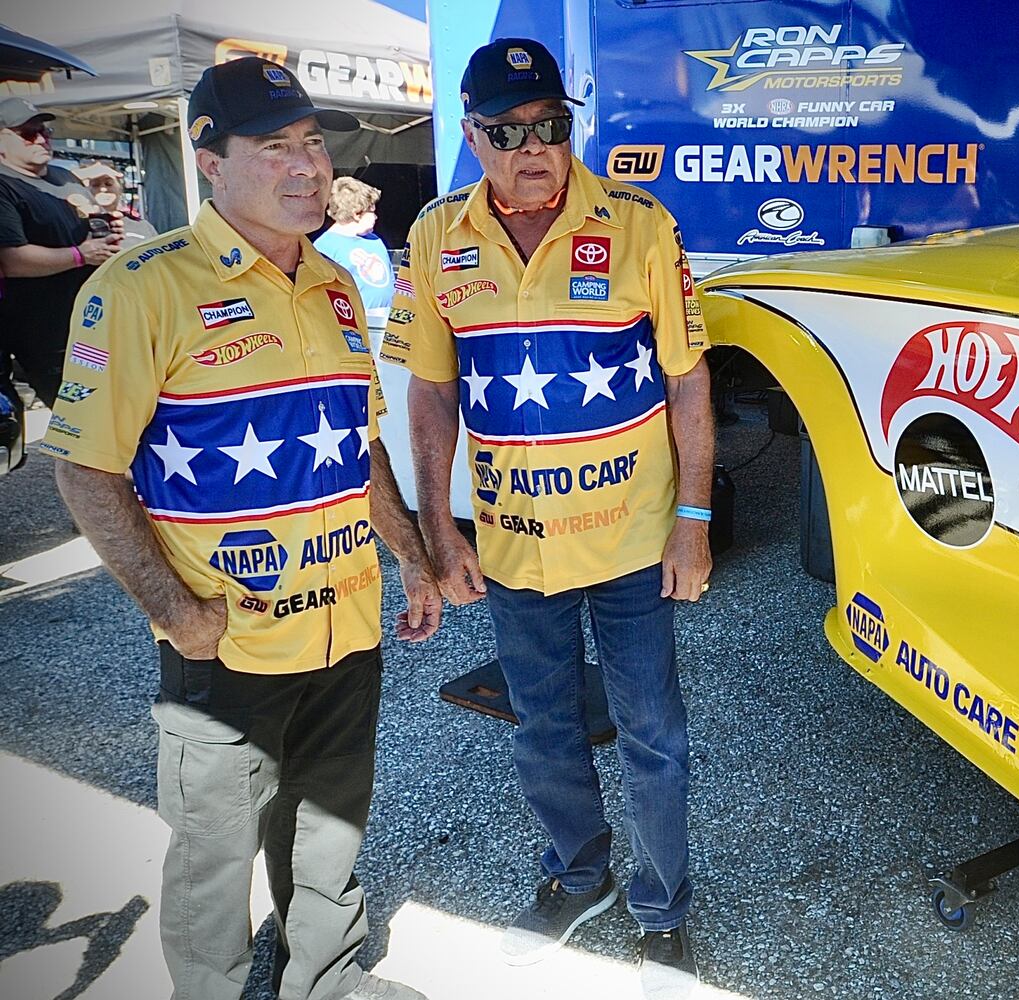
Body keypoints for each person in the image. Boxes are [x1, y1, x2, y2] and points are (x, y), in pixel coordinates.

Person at [45, 58, 440, 1000]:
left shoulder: (339, 281)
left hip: (346, 624)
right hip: (228, 644)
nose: (305, 166)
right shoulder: (140, 286)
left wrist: (414, 563)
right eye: (275, 148)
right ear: (210, 160)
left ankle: (326, 979)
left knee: (331, 826)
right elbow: (83, 466)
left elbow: (361, 445)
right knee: (214, 854)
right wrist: (179, 615)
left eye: (311, 143)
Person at [380, 37, 712, 995]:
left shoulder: (641, 222)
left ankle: (662, 906)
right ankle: (578, 876)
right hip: (514, 541)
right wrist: (441, 532)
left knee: (654, 732)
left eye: (552, 126)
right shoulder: (439, 236)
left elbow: (689, 384)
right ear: (473, 135)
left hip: (635, 536)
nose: (536, 148)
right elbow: (432, 393)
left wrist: (693, 518)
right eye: (510, 130)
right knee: (542, 727)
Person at [0, 97, 123, 408]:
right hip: (45, 332)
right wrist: (81, 255)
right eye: (28, 133)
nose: (41, 138)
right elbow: (13, 260)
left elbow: (89, 223)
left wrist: (108, 230)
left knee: (120, 409)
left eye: (45, 131)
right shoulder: (4, 185)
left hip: (95, 319)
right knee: (78, 418)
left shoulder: (63, 175)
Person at [314, 176, 394, 334]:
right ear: (357, 214)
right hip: (354, 328)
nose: (376, 217)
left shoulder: (375, 239)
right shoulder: (324, 248)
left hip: (388, 323)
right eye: (372, 212)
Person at [71, 160, 159, 243]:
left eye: (108, 184)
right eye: (95, 185)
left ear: (120, 188)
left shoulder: (142, 226)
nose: (103, 189)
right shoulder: (73, 225)